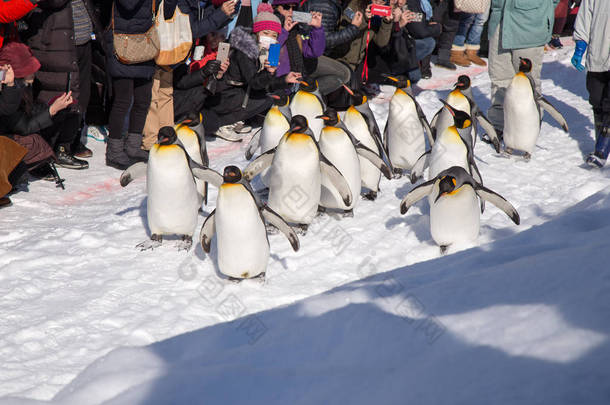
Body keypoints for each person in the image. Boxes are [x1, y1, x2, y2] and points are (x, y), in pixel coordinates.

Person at [141, 0, 234, 151]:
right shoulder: (183, 2)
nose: (217, 38)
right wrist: (221, 14)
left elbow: (207, 22)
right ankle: (150, 141)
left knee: (165, 95)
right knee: (154, 95)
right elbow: (190, 30)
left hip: (175, 55)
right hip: (164, 49)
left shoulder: (201, 4)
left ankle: (167, 136)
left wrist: (228, 12)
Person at [205, 2, 300, 139]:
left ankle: (232, 119)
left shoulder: (263, 51)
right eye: (265, 33)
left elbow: (265, 82)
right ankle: (222, 123)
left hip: (237, 93)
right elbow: (254, 82)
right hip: (224, 94)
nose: (269, 38)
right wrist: (268, 72)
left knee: (273, 94)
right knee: (266, 97)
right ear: (256, 33)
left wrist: (285, 79)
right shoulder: (245, 51)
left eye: (274, 35)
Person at [21, 0, 102, 160]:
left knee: (81, 94)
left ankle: (70, 142)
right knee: (56, 94)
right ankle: (50, 147)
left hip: (82, 39)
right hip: (55, 41)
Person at [486, 0, 559, 134]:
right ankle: (499, 124)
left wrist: (539, 15)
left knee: (528, 81)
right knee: (499, 78)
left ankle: (529, 126)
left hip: (529, 25)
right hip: (499, 22)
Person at [104, 0, 157, 169]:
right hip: (122, 44)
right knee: (123, 101)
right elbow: (128, 4)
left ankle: (134, 146)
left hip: (145, 42)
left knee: (143, 100)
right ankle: (114, 151)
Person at [571, 0, 610, 167]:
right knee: (596, 99)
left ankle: (602, 149)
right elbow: (585, 15)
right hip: (598, 53)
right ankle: (600, 140)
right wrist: (580, 44)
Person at [431, 0, 460, 70]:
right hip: (436, 3)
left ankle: (443, 58)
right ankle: (422, 62)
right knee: (433, 25)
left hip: (456, 3)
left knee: (451, 27)